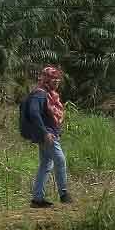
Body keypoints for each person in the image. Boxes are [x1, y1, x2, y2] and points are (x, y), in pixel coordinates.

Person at [26, 66, 69, 208]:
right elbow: (34, 113)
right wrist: (45, 132)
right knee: (60, 160)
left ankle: (37, 198)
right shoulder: (40, 94)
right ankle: (64, 194)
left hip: (50, 133)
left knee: (46, 164)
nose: (56, 80)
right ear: (46, 79)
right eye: (53, 78)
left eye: (58, 78)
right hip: (47, 134)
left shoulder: (50, 94)